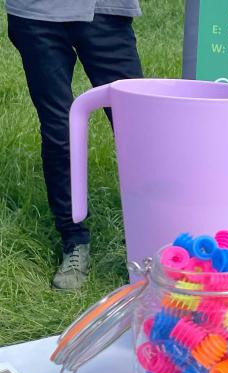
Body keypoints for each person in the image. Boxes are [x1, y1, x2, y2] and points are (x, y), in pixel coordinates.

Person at [6, 0, 143, 289]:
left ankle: (150, 235)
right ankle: (74, 240)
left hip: (106, 11)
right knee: (59, 130)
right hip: (37, 13)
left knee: (139, 128)